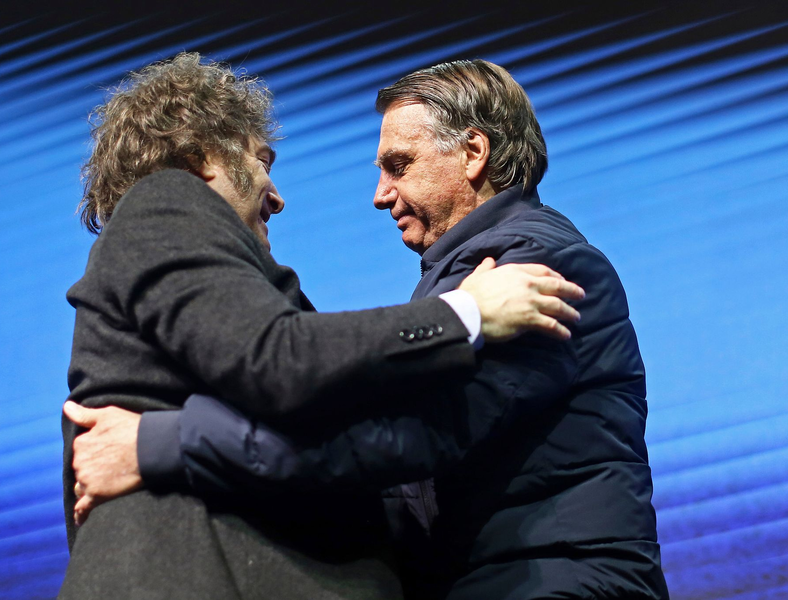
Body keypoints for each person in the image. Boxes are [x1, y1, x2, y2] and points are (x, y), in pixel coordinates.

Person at [67, 59, 670, 598]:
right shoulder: (468, 282)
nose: (381, 196)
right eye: (261, 161)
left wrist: (160, 444)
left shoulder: (535, 271)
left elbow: (404, 437)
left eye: (399, 166)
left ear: (473, 152)